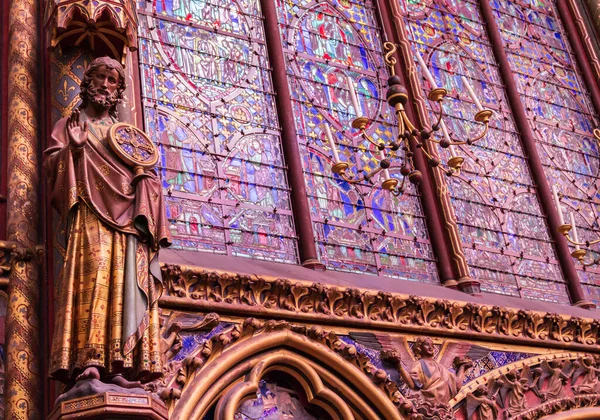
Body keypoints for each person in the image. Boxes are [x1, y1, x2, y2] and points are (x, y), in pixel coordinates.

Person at [44, 56, 171, 388]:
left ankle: (120, 365)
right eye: (99, 77)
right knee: (95, 276)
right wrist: (73, 150)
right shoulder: (71, 124)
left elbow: (149, 179)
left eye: (112, 80)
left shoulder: (127, 136)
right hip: (90, 215)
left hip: (129, 223)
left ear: (119, 91)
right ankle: (89, 362)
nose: (105, 84)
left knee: (126, 284)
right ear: (87, 84)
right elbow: (51, 171)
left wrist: (146, 182)